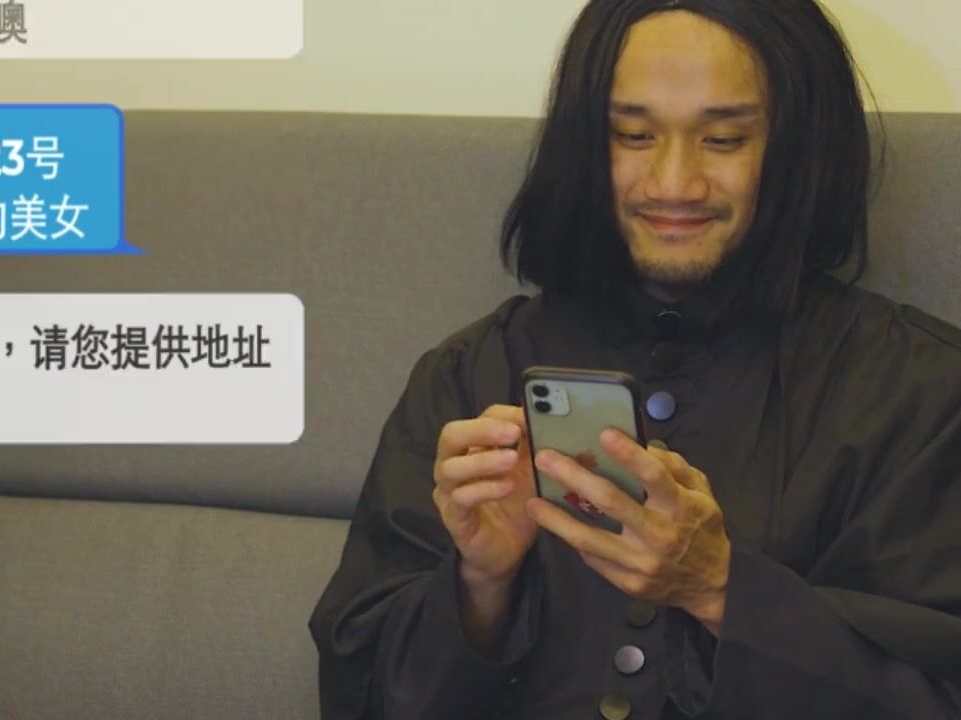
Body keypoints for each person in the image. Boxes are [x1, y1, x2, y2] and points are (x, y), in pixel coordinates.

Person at [308, 2, 961, 719]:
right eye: (633, 135)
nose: (673, 183)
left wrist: (719, 589)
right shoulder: (471, 372)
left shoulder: (920, 395)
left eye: (723, 139)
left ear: (799, 151)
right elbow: (357, 692)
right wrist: (480, 586)